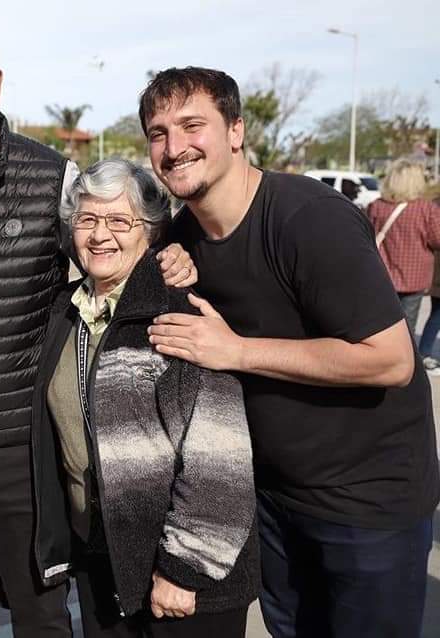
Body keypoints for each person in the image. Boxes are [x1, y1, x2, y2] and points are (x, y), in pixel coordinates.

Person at [0, 20, 196, 637]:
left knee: (40, 608)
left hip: (23, 444)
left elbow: (113, 252)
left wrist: (171, 257)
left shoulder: (51, 178)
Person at [141, 67, 440, 638]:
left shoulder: (307, 217)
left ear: (235, 131)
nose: (175, 147)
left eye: (191, 125)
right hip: (275, 502)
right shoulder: (183, 237)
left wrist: (236, 351)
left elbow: (392, 359)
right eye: (158, 132)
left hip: (366, 506)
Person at [32, 157, 258, 637]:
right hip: (104, 556)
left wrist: (184, 567)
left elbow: (220, 454)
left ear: (151, 231)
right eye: (88, 219)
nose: (100, 235)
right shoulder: (65, 312)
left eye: (119, 220)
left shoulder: (176, 309)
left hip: (182, 575)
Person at [365, 159, 440, 336]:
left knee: (379, 326)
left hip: (380, 275)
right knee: (407, 329)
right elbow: (437, 240)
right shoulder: (426, 209)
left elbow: (365, 237)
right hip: (414, 279)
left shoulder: (376, 206)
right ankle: (405, 361)